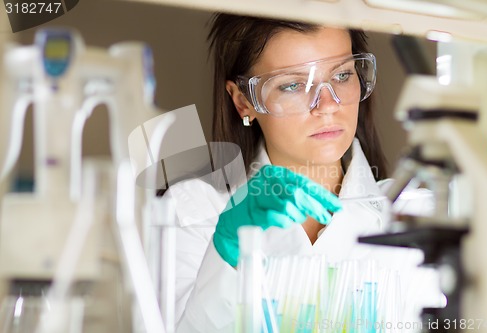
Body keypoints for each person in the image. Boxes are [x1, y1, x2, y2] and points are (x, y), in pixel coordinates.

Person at [165, 13, 443, 332]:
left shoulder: (416, 212)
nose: (326, 105)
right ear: (243, 101)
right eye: (294, 85)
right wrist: (225, 254)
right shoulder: (193, 210)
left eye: (341, 76)